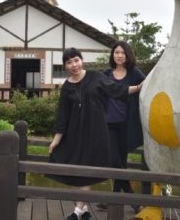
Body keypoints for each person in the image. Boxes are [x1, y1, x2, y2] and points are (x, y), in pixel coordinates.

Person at [47, 47, 142, 220]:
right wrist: (56, 140)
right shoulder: (67, 86)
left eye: (76, 60)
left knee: (89, 170)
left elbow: (116, 90)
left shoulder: (96, 77)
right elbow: (62, 115)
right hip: (75, 134)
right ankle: (81, 210)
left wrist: (137, 87)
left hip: (96, 132)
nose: (73, 65)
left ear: (81, 60)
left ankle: (77, 211)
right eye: (69, 62)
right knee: (76, 170)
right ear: (65, 66)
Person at [96, 41, 145, 213]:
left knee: (121, 162)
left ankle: (113, 201)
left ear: (128, 55)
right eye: (116, 52)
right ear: (113, 55)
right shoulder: (106, 74)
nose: (119, 55)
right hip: (108, 123)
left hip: (126, 124)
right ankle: (133, 200)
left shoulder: (134, 73)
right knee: (114, 161)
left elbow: (147, 86)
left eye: (122, 52)